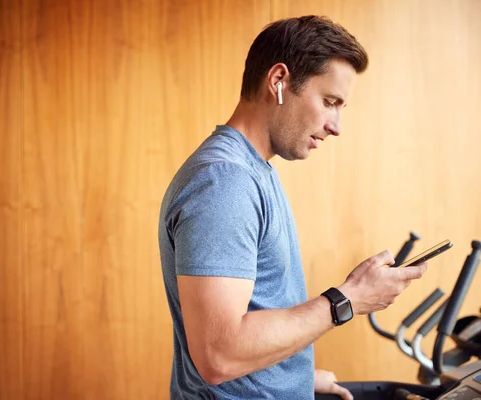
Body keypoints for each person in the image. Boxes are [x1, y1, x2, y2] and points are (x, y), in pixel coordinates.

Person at [157, 15, 428, 400]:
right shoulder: (225, 182)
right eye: (329, 102)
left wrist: (293, 375)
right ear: (279, 81)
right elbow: (219, 354)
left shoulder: (253, 171)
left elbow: (250, 317)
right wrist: (346, 300)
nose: (336, 126)